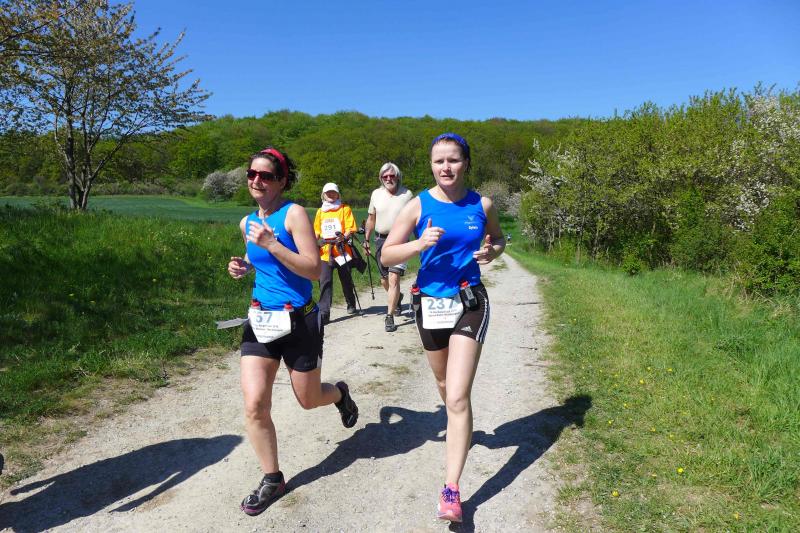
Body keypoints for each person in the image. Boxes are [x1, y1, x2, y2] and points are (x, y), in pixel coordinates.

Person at [380, 133, 505, 523]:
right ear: (431, 165)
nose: (446, 167)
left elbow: (499, 240)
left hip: (469, 301)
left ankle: (451, 490)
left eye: (453, 160)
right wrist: (418, 245)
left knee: (457, 395)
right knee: (444, 386)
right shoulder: (418, 205)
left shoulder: (482, 204)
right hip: (429, 304)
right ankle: (458, 422)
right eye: (439, 161)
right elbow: (387, 254)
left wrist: (491, 251)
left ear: (466, 163)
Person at [227, 148, 359, 516]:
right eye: (252, 174)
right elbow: (260, 262)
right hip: (260, 319)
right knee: (254, 404)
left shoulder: (294, 214)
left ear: (282, 181)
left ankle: (340, 394)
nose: (257, 180)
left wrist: (272, 243)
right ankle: (273, 479)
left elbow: (314, 269)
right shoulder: (247, 222)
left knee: (308, 399)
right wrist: (243, 267)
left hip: (298, 320)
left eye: (266, 176)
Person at [364, 162, 414, 332]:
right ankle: (397, 297)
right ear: (381, 178)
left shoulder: (407, 194)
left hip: (400, 241)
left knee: (393, 278)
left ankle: (389, 316)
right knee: (384, 280)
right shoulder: (376, 194)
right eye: (385, 176)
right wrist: (366, 240)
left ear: (397, 177)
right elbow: (371, 219)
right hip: (380, 240)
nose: (388, 179)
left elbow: (414, 218)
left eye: (392, 175)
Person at [313, 182, 359, 326]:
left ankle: (351, 303)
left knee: (346, 278)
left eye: (334, 192)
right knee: (325, 281)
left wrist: (344, 237)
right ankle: (324, 313)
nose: (331, 195)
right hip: (325, 252)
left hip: (341, 250)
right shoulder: (320, 212)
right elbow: (316, 231)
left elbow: (350, 228)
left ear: (338, 194)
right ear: (323, 195)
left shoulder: (345, 209)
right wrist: (312, 244)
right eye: (328, 193)